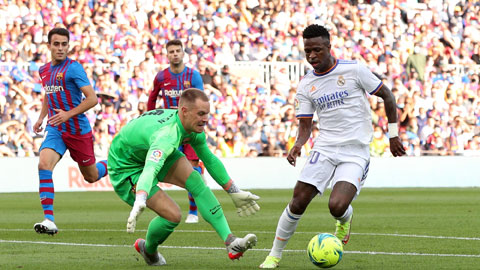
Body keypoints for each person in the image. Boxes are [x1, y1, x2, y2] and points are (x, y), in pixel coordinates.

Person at [259, 24, 406, 269]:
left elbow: (388, 96)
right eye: (307, 51)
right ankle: (274, 255)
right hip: (325, 148)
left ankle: (344, 219)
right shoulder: (306, 85)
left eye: (317, 50)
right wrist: (298, 145)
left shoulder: (354, 70)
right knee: (298, 201)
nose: (312, 56)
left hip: (355, 151)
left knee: (336, 206)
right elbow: (305, 125)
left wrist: (393, 136)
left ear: (329, 46)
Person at [108, 88, 260, 266]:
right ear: (184, 111)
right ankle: (148, 250)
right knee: (173, 216)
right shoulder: (166, 136)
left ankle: (231, 242)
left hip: (144, 151)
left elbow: (209, 159)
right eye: (201, 114)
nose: (206, 119)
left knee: (196, 180)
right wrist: (140, 198)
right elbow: (150, 169)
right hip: (125, 166)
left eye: (207, 114)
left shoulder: (191, 127)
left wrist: (234, 191)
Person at [33, 28, 108, 235]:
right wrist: (41, 117)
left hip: (77, 130)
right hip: (56, 127)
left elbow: (93, 99)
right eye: (56, 44)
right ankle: (49, 219)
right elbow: (49, 94)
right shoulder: (44, 70)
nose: (60, 48)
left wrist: (68, 114)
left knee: (91, 176)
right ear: (48, 46)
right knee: (43, 163)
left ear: (68, 46)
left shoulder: (74, 68)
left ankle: (116, 162)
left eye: (64, 44)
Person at [147, 39, 205, 224]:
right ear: (167, 54)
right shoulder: (161, 77)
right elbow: (152, 98)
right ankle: (161, 207)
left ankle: (193, 212)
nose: (174, 54)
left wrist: (199, 123)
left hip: (190, 129)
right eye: (171, 51)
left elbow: (201, 101)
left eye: (177, 51)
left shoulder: (193, 75)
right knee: (158, 166)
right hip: (170, 129)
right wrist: (151, 119)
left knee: (193, 169)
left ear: (183, 53)